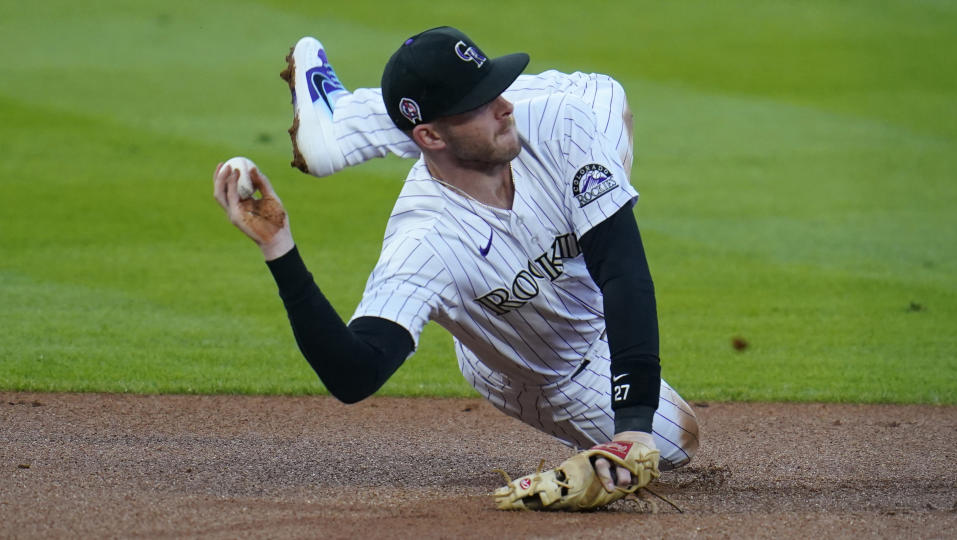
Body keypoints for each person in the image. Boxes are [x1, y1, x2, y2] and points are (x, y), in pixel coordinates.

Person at [214, 26, 699, 492]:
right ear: (427, 138)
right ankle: (380, 121)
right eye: (479, 103)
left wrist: (630, 425)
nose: (506, 106)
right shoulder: (427, 241)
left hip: (567, 201)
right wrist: (280, 249)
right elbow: (352, 373)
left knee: (603, 96)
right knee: (677, 441)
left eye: (497, 88)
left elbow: (623, 272)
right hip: (547, 361)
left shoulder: (559, 122)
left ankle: (347, 122)